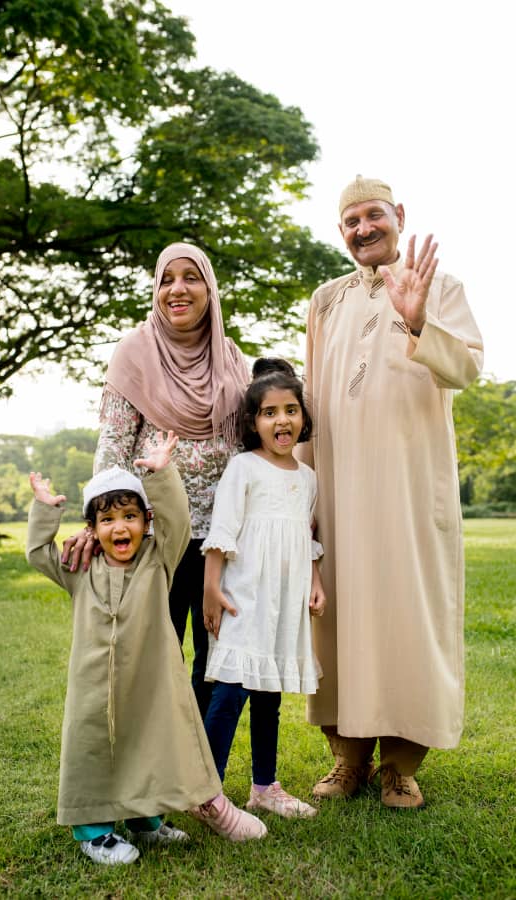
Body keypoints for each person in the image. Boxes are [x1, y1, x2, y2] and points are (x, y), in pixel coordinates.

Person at [299, 175, 484, 809]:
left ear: (398, 215)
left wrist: (418, 320)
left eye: (373, 216)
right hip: (340, 493)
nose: (363, 229)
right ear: (341, 232)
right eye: (350, 221)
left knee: (408, 615)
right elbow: (308, 407)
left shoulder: (442, 285)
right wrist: (306, 495)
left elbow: (466, 370)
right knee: (339, 619)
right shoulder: (324, 301)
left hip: (409, 494)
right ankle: (346, 758)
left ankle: (400, 765)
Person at [27, 431, 265, 865]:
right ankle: (94, 831)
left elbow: (179, 523)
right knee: (94, 749)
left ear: (145, 520)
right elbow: (37, 552)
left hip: (146, 683)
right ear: (93, 528)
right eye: (108, 519)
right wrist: (45, 508)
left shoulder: (158, 561)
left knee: (145, 745)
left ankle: (147, 822)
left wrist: (161, 474)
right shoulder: (79, 568)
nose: (120, 526)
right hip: (93, 688)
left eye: (130, 516)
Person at [62, 243, 249, 719]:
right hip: (157, 543)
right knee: (155, 660)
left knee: (218, 665)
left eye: (191, 277)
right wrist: (95, 525)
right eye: (166, 279)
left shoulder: (230, 358)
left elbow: (250, 449)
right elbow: (112, 452)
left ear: (210, 288)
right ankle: (157, 775)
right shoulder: (135, 352)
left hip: (222, 543)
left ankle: (203, 779)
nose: (177, 289)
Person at [198, 359, 326, 820]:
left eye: (291, 410)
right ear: (254, 422)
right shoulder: (243, 468)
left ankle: (264, 786)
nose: (282, 420)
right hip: (245, 597)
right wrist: (211, 589)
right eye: (270, 412)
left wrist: (314, 585)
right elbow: (222, 532)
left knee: (268, 693)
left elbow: (306, 538)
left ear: (303, 418)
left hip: (284, 601)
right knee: (231, 692)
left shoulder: (307, 478)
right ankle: (205, 790)